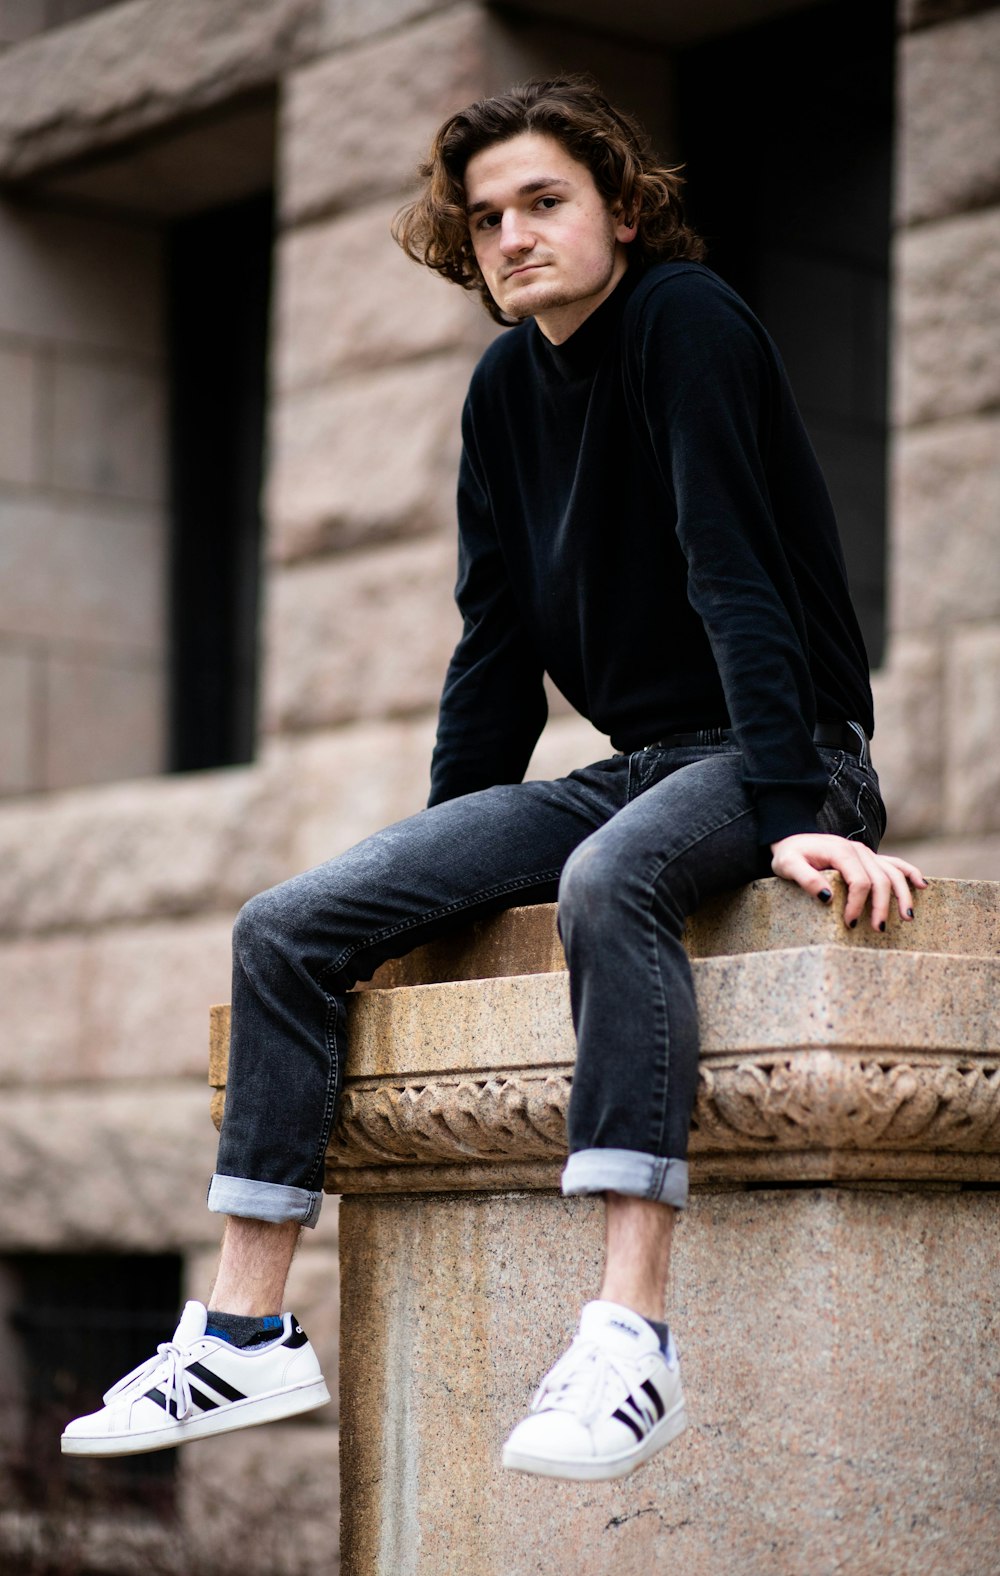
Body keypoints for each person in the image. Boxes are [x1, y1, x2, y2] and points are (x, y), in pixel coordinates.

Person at [62, 75, 924, 1481]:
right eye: (487, 219)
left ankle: (631, 1337)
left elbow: (735, 573)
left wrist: (797, 811)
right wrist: (442, 851)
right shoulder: (503, 390)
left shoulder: (685, 324)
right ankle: (244, 1331)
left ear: (620, 209)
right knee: (288, 925)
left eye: (545, 202)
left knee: (609, 881)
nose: (514, 235)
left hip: (783, 747)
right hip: (633, 764)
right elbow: (495, 644)